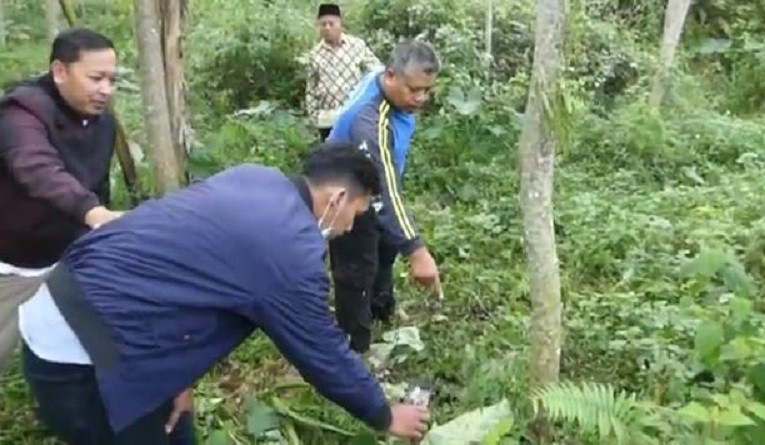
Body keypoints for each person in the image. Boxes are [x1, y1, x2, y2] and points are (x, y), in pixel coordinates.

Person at [20, 142, 431, 444]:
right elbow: (320, 349)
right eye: (355, 216)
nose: (346, 229)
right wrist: (383, 414)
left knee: (176, 431)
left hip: (79, 297)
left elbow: (182, 268)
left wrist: (176, 376)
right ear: (338, 198)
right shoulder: (289, 247)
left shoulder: (254, 176)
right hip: (81, 349)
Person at [0, 27, 195, 443]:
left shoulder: (102, 124)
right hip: (11, 266)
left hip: (70, 260)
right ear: (59, 71)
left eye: (112, 79)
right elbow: (37, 171)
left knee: (102, 353)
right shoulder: (21, 114)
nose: (106, 89)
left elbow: (96, 187)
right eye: (95, 78)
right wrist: (94, 213)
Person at [326, 39, 443, 354]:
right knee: (356, 268)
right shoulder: (370, 120)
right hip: (345, 196)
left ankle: (381, 312)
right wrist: (417, 251)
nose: (420, 99)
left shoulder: (389, 83)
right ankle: (354, 349)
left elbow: (387, 182)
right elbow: (384, 189)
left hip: (372, 180)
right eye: (413, 90)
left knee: (385, 247)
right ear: (391, 76)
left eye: (427, 91)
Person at [305, 3, 381, 141]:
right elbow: (311, 88)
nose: (327, 28)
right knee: (332, 157)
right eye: (323, 24)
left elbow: (377, 71)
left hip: (353, 113)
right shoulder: (315, 54)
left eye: (331, 23)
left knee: (354, 153)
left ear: (340, 24)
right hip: (326, 119)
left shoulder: (357, 46)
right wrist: (314, 116)